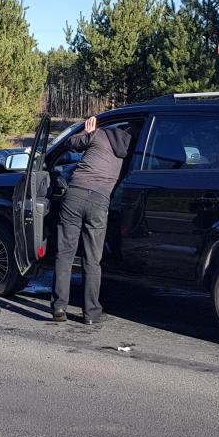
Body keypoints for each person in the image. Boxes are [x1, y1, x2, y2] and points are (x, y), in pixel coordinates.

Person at [51, 116, 133, 324]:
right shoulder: (128, 154)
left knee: (65, 254)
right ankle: (91, 313)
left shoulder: (100, 134)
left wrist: (86, 133)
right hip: (99, 202)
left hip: (75, 195)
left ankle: (59, 308)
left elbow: (70, 144)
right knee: (92, 260)